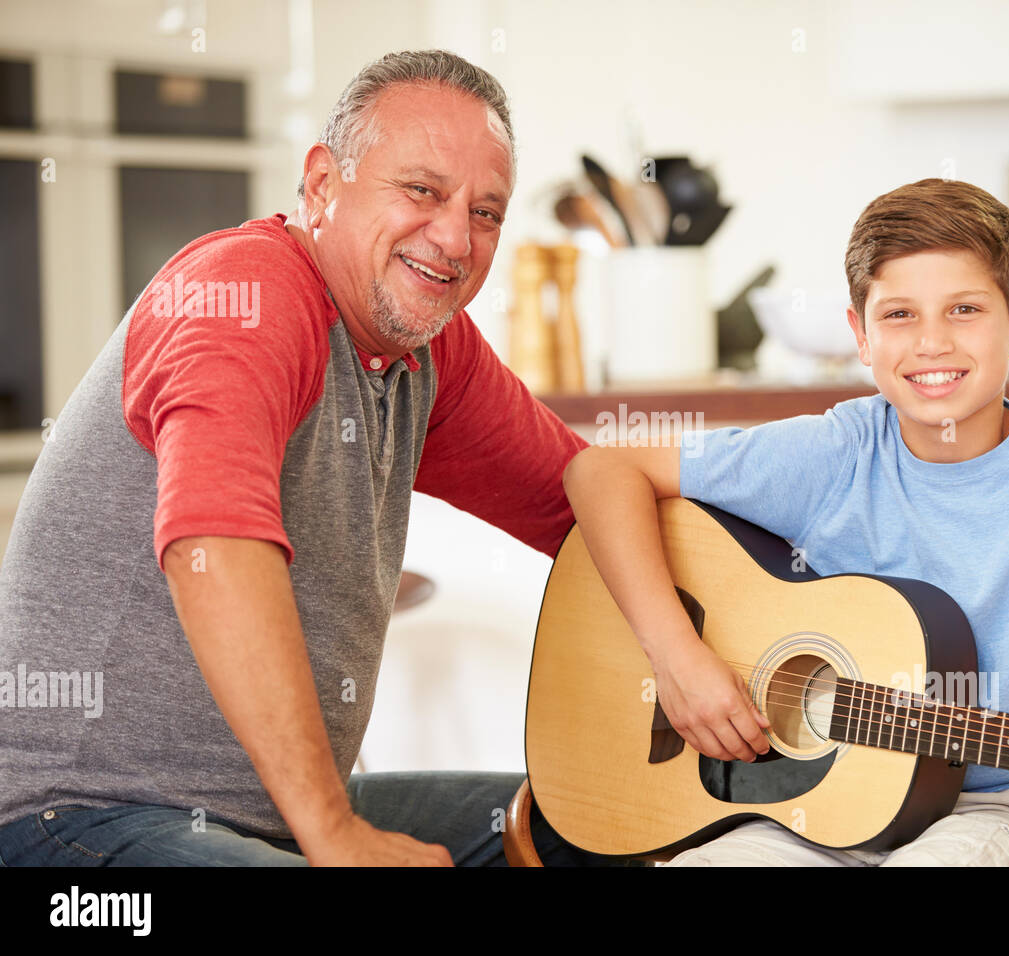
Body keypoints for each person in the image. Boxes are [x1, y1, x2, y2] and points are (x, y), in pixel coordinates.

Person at [0, 50, 602, 866]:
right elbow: (214, 543)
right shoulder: (246, 292)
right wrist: (334, 834)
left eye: (487, 212)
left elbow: (582, 499)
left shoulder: (428, 352)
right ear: (322, 186)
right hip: (76, 817)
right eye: (421, 190)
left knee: (596, 825)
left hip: (264, 814)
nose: (457, 236)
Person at [561, 177, 1009, 866]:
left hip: (1005, 809)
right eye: (899, 315)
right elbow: (599, 471)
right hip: (813, 808)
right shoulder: (836, 453)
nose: (932, 343)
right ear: (859, 334)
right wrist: (677, 656)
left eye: (965, 309)